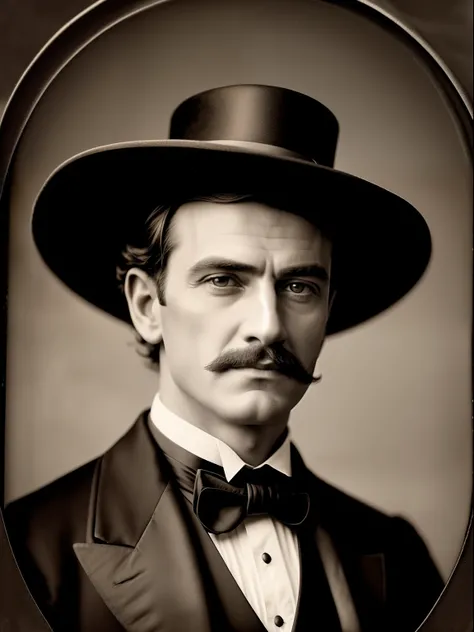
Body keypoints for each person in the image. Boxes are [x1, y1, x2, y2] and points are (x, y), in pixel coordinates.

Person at [3, 84, 444, 632]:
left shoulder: (397, 556)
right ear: (147, 306)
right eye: (223, 280)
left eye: (299, 286)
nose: (268, 324)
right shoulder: (23, 551)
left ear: (329, 309)